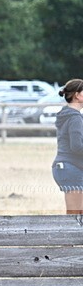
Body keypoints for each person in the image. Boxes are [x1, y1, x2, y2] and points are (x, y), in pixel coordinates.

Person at [52, 79, 83, 214]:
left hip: (65, 168)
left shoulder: (67, 114)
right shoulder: (75, 117)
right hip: (71, 169)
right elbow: (77, 146)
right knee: (75, 216)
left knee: (76, 214)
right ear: (77, 95)